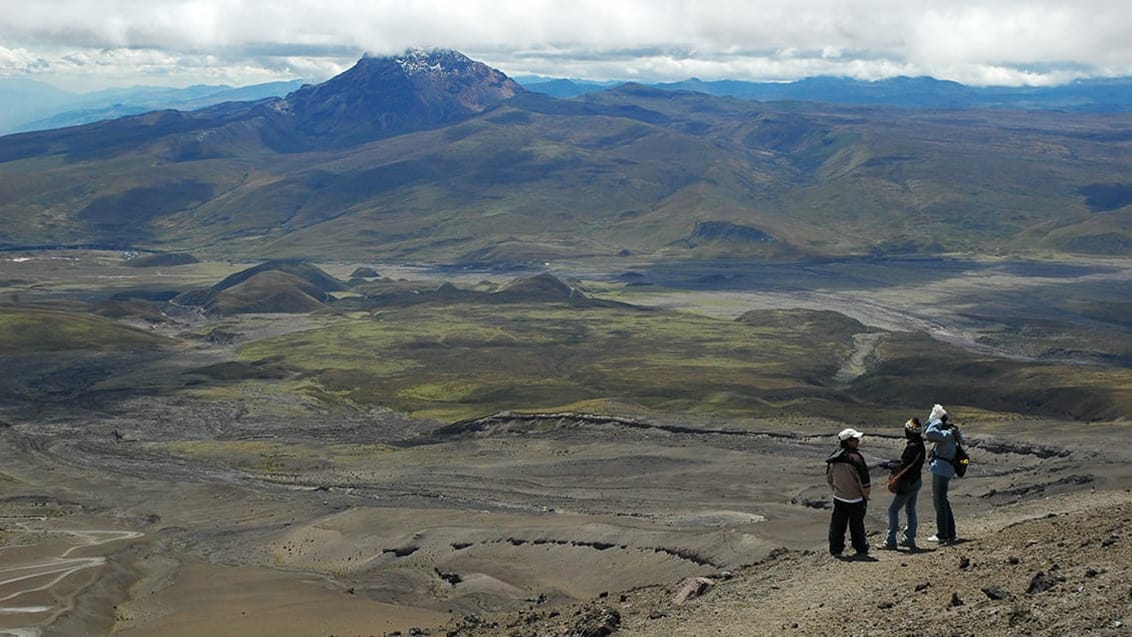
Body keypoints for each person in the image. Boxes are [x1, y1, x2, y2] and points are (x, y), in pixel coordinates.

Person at [879, 417, 925, 550]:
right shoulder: (919, 444)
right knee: (910, 510)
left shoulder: (912, 447)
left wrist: (889, 465)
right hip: (916, 481)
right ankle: (909, 539)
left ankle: (890, 541)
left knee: (893, 510)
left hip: (908, 483)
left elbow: (903, 466)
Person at [825, 427, 871, 558]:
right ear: (849, 441)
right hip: (855, 499)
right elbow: (864, 481)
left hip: (839, 498)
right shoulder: (856, 458)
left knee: (837, 526)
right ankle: (860, 548)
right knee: (857, 526)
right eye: (855, 439)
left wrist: (836, 490)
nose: (858, 441)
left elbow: (829, 477)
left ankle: (835, 549)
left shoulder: (834, 457)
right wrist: (865, 495)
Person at [923, 403, 963, 544]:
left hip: (941, 469)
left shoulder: (946, 434)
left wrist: (937, 421)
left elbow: (929, 433)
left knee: (939, 501)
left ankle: (943, 534)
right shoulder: (952, 432)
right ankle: (950, 533)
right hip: (947, 468)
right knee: (943, 500)